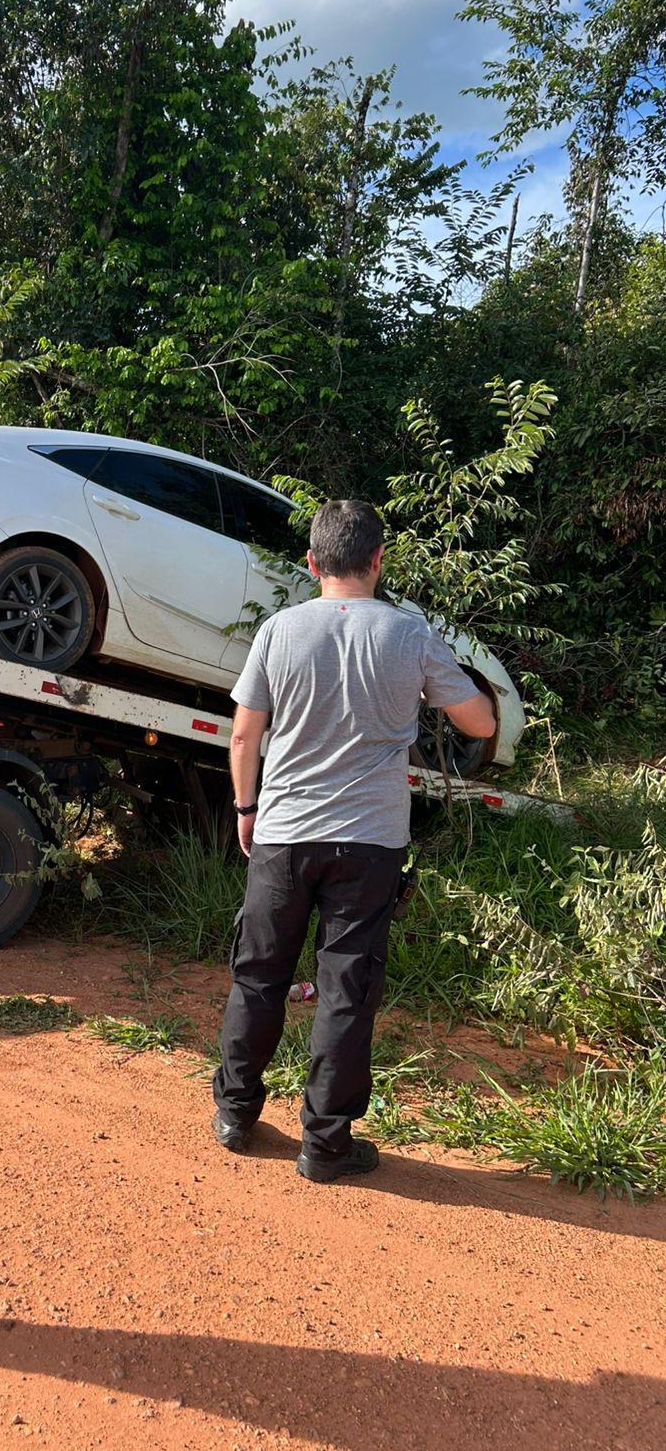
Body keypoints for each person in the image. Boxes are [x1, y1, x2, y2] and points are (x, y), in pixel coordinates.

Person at [210, 499, 495, 1182]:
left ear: (312, 564)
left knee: (259, 976)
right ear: (378, 561)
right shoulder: (410, 633)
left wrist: (247, 808)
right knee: (346, 990)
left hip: (282, 834)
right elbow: (481, 724)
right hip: (368, 843)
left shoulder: (280, 630)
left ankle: (236, 1114)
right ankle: (325, 1146)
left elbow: (245, 734)